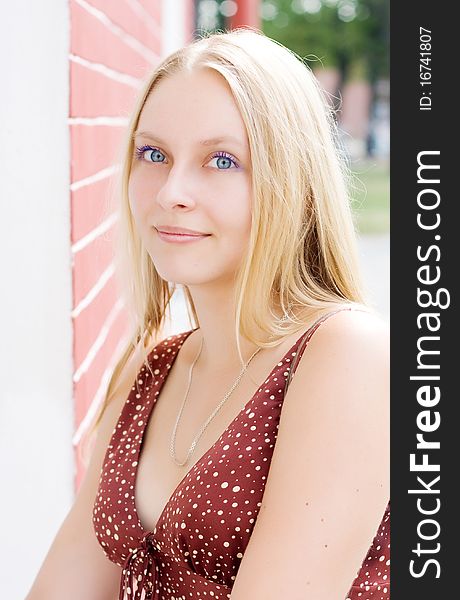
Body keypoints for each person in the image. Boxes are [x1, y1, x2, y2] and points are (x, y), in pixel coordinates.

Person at [27, 27, 389, 600]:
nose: (171, 190)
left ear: (290, 183)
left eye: (221, 160)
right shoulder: (148, 369)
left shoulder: (346, 355)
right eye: (153, 154)